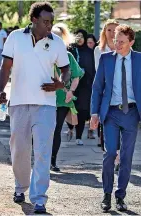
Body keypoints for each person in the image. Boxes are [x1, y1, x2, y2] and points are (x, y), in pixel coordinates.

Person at [0, 2, 70, 214]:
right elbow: (5, 67)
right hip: (19, 103)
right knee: (19, 150)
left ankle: (39, 199)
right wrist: (1, 90)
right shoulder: (15, 38)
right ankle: (20, 187)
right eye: (46, 21)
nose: (50, 26)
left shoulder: (56, 42)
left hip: (46, 105)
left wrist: (60, 84)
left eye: (52, 22)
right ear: (34, 20)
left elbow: (65, 69)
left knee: (42, 152)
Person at [90, 24, 141, 212]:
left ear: (131, 42)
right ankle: (106, 194)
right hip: (110, 113)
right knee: (110, 153)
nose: (117, 44)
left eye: (121, 42)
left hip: (132, 113)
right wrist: (94, 113)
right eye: (115, 41)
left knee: (126, 156)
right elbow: (97, 88)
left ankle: (120, 196)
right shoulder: (106, 60)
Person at [50, 22, 84, 172]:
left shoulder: (68, 56)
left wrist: (71, 92)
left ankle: (52, 161)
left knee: (56, 129)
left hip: (63, 99)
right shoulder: (43, 54)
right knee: (43, 130)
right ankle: (42, 159)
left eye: (57, 37)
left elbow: (76, 76)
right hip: (44, 98)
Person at [93, 20, 120, 170]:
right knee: (107, 124)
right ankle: (111, 154)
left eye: (114, 30)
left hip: (121, 93)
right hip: (105, 93)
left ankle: (118, 156)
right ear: (105, 32)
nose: (111, 33)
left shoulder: (124, 48)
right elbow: (99, 72)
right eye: (109, 30)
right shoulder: (99, 50)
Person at [66, 29, 96, 145]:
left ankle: (79, 136)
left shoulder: (89, 52)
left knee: (82, 111)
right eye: (77, 36)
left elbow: (92, 68)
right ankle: (70, 127)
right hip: (71, 85)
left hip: (85, 86)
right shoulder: (70, 50)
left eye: (82, 37)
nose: (80, 39)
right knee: (68, 109)